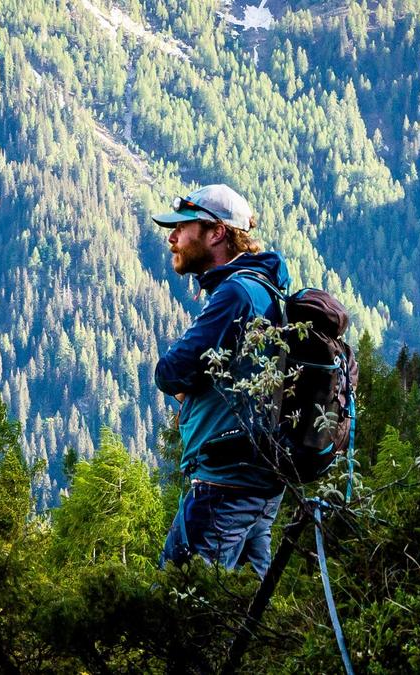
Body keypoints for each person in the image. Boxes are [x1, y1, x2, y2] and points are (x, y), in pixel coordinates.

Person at [153, 184, 290, 578]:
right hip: (257, 485)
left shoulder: (236, 295)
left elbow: (171, 369)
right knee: (242, 616)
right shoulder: (263, 288)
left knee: (184, 608)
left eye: (183, 227)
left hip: (223, 487)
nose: (172, 237)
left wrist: (184, 385)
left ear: (216, 233)